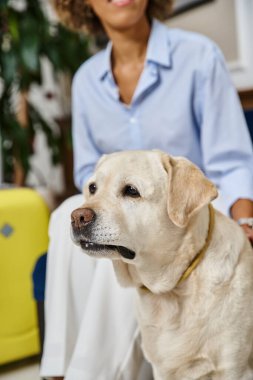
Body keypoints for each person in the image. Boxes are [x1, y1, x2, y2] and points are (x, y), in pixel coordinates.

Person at [40, 0, 253, 379]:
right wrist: (103, 204)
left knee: (131, 237)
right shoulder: (86, 80)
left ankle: (92, 373)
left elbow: (231, 160)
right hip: (131, 224)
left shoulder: (199, 57)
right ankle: (60, 369)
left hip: (187, 216)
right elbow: (88, 182)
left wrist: (246, 220)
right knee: (68, 216)